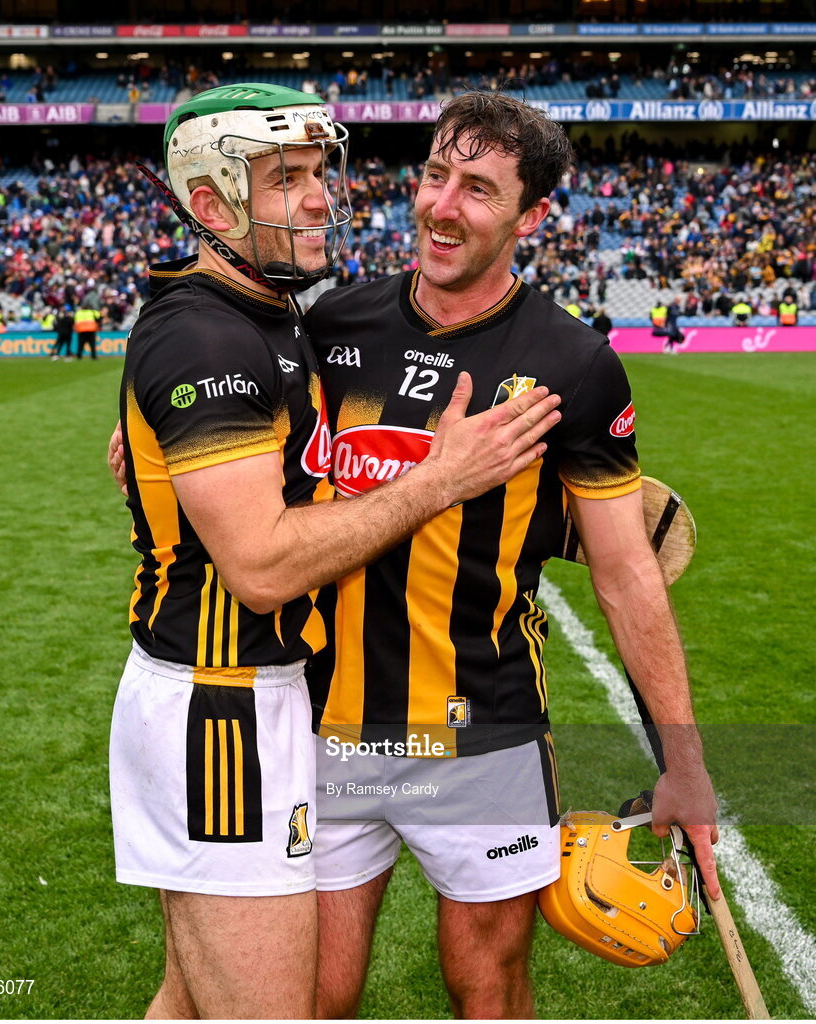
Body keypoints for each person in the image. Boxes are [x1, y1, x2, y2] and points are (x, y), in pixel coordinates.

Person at [108, 83, 560, 1021]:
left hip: (251, 699)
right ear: (211, 205)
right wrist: (443, 477)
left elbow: (294, 481)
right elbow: (264, 566)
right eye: (286, 179)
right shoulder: (207, 337)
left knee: (193, 1001)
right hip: (218, 708)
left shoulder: (275, 317)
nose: (320, 197)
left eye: (320, 172)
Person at [303, 92, 720, 1019]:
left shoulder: (571, 363)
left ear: (532, 216)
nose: (442, 205)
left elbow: (623, 573)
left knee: (487, 992)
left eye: (479, 189)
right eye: (435, 174)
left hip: (482, 731)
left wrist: (682, 760)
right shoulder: (331, 329)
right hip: (326, 728)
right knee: (309, 998)